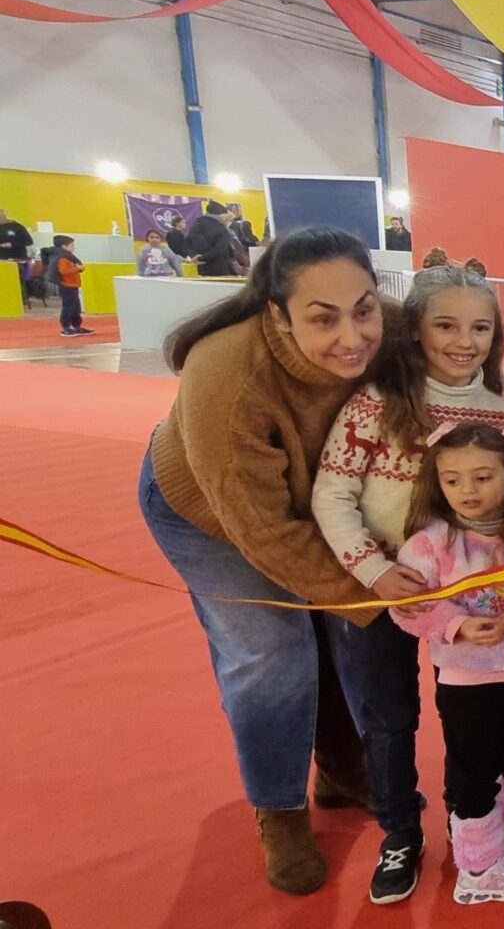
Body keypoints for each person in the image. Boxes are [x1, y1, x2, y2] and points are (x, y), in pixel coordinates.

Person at [135, 228, 408, 897]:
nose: (352, 334)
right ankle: (278, 809)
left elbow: (465, 368)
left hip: (323, 500)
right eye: (323, 317)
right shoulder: (226, 373)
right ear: (276, 314)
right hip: (212, 515)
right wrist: (378, 586)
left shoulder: (391, 331)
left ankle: (343, 772)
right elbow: (262, 532)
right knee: (271, 654)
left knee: (345, 632)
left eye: (364, 308)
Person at [306, 262, 504, 901]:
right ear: (414, 332)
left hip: (466, 595)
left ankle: (473, 818)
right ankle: (400, 827)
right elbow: (333, 495)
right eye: (446, 325)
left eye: (480, 327)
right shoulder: (377, 403)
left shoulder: (502, 413)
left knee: (473, 713)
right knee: (389, 715)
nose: (465, 341)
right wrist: (373, 570)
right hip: (382, 587)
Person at [392, 424, 504, 906]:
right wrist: (457, 625)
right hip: (465, 679)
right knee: (472, 768)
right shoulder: (431, 542)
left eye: (481, 477)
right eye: (452, 480)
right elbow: (407, 606)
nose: (466, 491)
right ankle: (479, 866)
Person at [45, 235, 94, 337]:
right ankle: (66, 327)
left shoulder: (68, 257)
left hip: (73, 285)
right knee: (69, 307)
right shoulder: (63, 258)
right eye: (72, 245)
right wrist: (78, 269)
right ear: (64, 246)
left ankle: (77, 325)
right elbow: (64, 271)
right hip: (67, 285)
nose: (74, 247)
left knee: (76, 307)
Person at [187, 201, 242, 277]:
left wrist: (196, 257)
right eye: (225, 214)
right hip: (220, 267)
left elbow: (187, 243)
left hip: (201, 268)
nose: (226, 217)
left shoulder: (195, 225)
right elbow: (221, 248)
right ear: (220, 215)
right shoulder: (220, 228)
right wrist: (204, 258)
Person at [0, 206, 30, 295]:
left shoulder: (17, 227)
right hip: (2, 258)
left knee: (17, 279)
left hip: (17, 257)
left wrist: (12, 244)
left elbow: (28, 241)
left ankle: (20, 296)